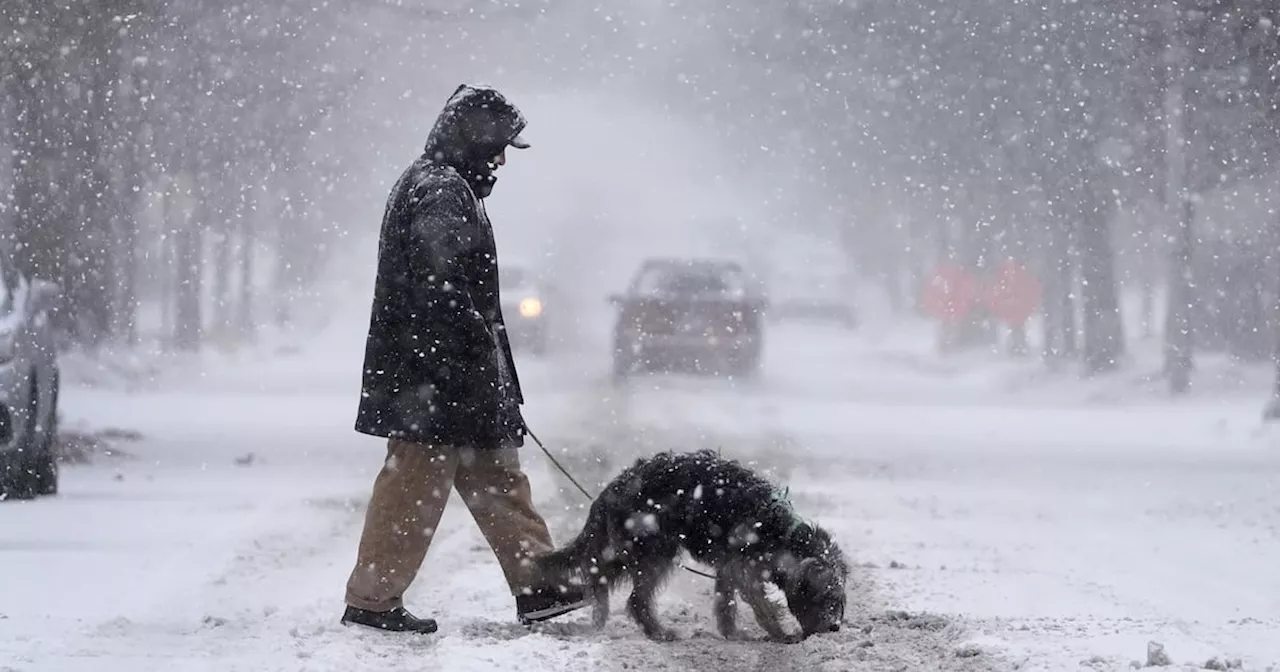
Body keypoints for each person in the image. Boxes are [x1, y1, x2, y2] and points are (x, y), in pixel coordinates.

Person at [341, 84, 586, 634]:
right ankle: (372, 602)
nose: (501, 160)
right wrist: (475, 355)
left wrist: (489, 373)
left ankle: (539, 585)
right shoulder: (438, 191)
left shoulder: (448, 186)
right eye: (496, 147)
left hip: (452, 376)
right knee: (412, 488)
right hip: (433, 379)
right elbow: (440, 286)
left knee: (498, 478)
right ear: (471, 140)